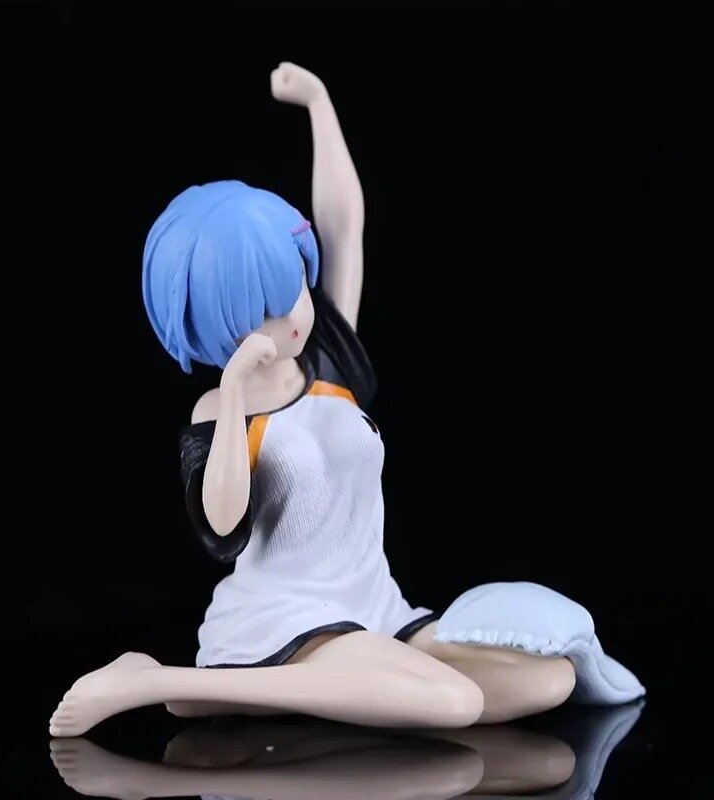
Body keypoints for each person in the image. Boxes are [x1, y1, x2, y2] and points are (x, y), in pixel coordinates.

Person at [50, 63, 636, 739]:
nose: (291, 320)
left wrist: (318, 104)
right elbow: (222, 525)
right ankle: (161, 681)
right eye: (260, 314)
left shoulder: (326, 360)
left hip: (376, 609)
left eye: (293, 290)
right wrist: (234, 392)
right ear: (213, 329)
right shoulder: (218, 410)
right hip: (285, 622)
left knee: (550, 679)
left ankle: (261, 692)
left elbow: (344, 227)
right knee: (455, 705)